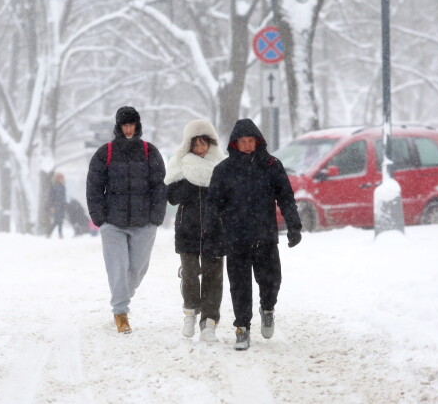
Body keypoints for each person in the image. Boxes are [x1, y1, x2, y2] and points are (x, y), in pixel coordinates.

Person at [203, 118, 302, 350]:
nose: (247, 146)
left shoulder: (271, 165)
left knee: (271, 281)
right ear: (235, 144)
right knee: (240, 285)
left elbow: (286, 198)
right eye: (243, 142)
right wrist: (212, 236)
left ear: (258, 142)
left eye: (251, 141)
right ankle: (242, 328)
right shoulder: (223, 170)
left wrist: (294, 226)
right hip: (235, 238)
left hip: (265, 236)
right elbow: (213, 206)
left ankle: (268, 307)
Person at [86, 106, 167, 334]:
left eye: (132, 124)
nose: (129, 129)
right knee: (117, 268)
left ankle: (122, 295)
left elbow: (160, 186)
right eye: (125, 125)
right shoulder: (105, 152)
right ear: (118, 126)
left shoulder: (150, 152)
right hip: (113, 223)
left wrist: (156, 218)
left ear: (138, 125)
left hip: (144, 223)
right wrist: (100, 219)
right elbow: (93, 187)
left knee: (138, 269)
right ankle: (120, 312)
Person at [165, 120, 225, 342]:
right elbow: (171, 197)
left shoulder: (221, 165)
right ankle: (190, 312)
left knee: (214, 277)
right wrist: (192, 179)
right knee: (190, 274)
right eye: (195, 144)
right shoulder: (179, 164)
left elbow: (228, 198)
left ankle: (209, 323)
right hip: (187, 229)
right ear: (188, 145)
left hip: (215, 229)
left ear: (211, 143)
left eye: (204, 144)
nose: (200, 149)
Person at [46, 172, 67, 239]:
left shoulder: (63, 187)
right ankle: (58, 234)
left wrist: (65, 205)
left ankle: (50, 233)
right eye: (61, 178)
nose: (63, 180)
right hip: (56, 206)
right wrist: (51, 206)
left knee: (59, 220)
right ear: (58, 179)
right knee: (57, 220)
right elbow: (51, 197)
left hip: (61, 206)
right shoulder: (54, 187)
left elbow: (63, 197)